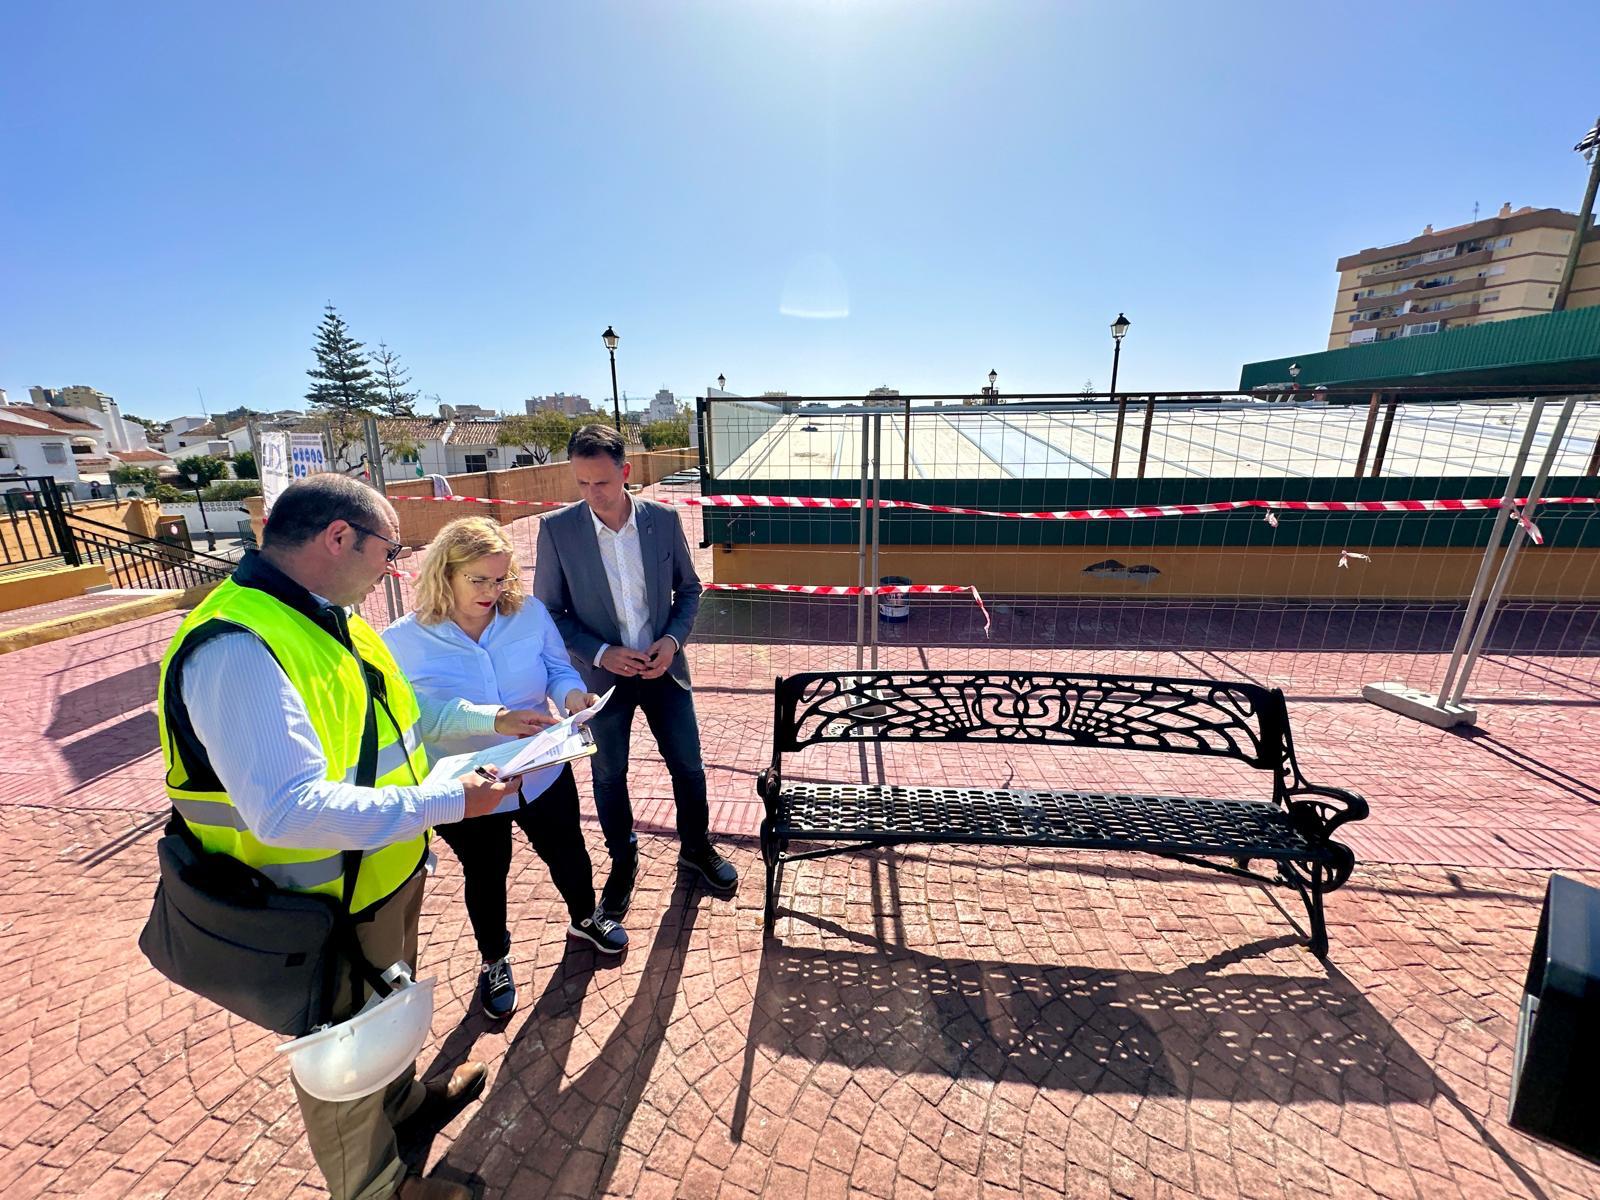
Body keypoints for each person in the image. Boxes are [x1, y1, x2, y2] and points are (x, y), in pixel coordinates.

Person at [156, 474, 553, 1200]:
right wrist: (449, 801)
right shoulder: (237, 644)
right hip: (315, 901)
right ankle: (374, 1186)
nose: (393, 567)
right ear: (339, 537)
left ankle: (401, 1107)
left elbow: (405, 723)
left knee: (386, 1009)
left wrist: (492, 722)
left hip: (382, 873)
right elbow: (285, 809)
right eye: (388, 548)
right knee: (342, 1048)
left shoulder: (334, 617)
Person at [383, 517, 628, 1022]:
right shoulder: (402, 641)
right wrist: (495, 719)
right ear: (443, 574)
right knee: (486, 873)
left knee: (568, 852)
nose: (493, 592)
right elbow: (418, 716)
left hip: (541, 767)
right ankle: (494, 960)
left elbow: (558, 668)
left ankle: (585, 917)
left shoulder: (529, 614)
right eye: (479, 580)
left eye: (500, 579)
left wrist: (570, 694)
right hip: (471, 785)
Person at [533, 424, 737, 921]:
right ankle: (623, 861)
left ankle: (696, 847)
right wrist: (602, 653)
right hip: (601, 679)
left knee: (688, 764)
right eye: (580, 483)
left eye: (600, 482)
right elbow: (550, 612)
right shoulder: (557, 530)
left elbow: (689, 590)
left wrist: (670, 642)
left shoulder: (663, 521)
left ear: (625, 473)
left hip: (664, 670)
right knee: (609, 775)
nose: (591, 494)